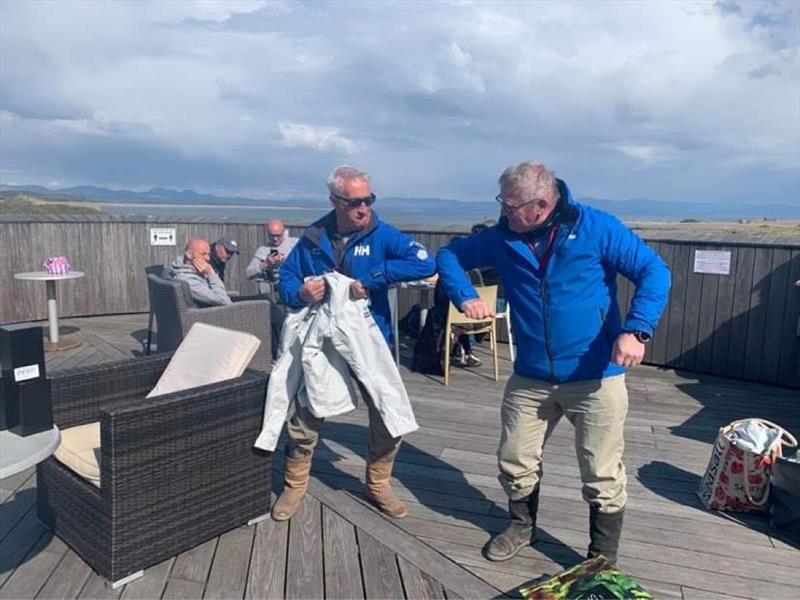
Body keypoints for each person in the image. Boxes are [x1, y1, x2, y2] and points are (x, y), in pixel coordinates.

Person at [437, 161, 671, 565]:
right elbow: (448, 255)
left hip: (595, 376)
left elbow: (655, 271)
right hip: (531, 375)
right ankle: (521, 527)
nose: (503, 213)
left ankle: (601, 557)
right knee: (514, 459)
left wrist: (638, 329)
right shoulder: (502, 237)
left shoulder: (597, 228)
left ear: (542, 204)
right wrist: (464, 295)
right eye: (502, 203)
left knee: (601, 472)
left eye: (511, 206)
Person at [272, 165, 436, 522]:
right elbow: (287, 276)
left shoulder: (382, 235)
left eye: (369, 200)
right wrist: (299, 292)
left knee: (387, 412)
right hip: (323, 342)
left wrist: (373, 278)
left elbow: (425, 263)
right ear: (335, 201)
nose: (364, 208)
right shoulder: (314, 237)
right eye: (355, 202)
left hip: (369, 339)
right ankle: (294, 484)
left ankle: (378, 484)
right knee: (306, 414)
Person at [170, 238, 232, 307]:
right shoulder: (188, 281)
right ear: (189, 255)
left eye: (208, 254)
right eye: (204, 254)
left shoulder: (197, 272)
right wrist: (211, 273)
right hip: (211, 315)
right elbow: (223, 300)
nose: (208, 258)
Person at [246, 219, 298, 300]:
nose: (275, 239)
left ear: (284, 232)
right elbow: (248, 273)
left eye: (278, 235)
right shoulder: (263, 250)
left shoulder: (295, 244)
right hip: (274, 290)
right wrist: (266, 264)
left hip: (295, 286)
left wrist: (287, 261)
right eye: (272, 235)